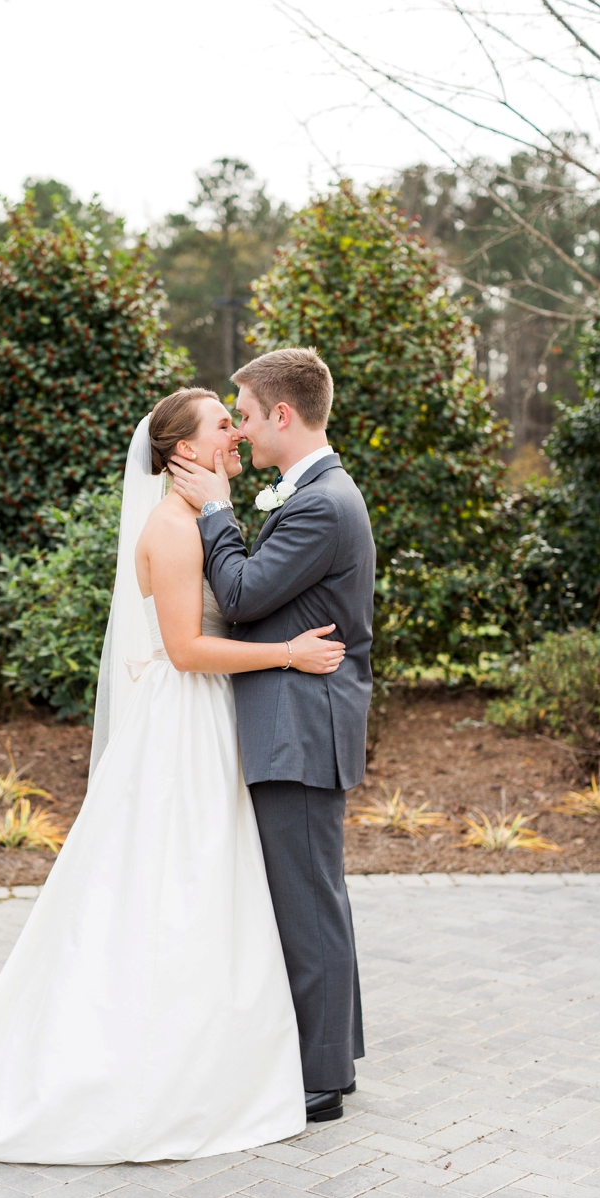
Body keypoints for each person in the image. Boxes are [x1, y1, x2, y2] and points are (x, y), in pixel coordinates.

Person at [0, 387, 346, 1163]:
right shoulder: (174, 527)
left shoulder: (195, 519)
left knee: (200, 883)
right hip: (187, 721)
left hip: (199, 718)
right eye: (222, 423)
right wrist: (289, 654)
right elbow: (187, 649)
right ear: (181, 451)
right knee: (179, 880)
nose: (234, 431)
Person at [169, 348, 375, 1125]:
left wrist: (219, 511)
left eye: (247, 416)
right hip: (300, 720)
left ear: (282, 414)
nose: (243, 431)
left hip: (299, 723)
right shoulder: (318, 492)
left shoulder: (322, 502)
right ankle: (334, 1061)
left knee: (306, 901)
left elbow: (247, 593)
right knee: (316, 896)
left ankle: (319, 1082)